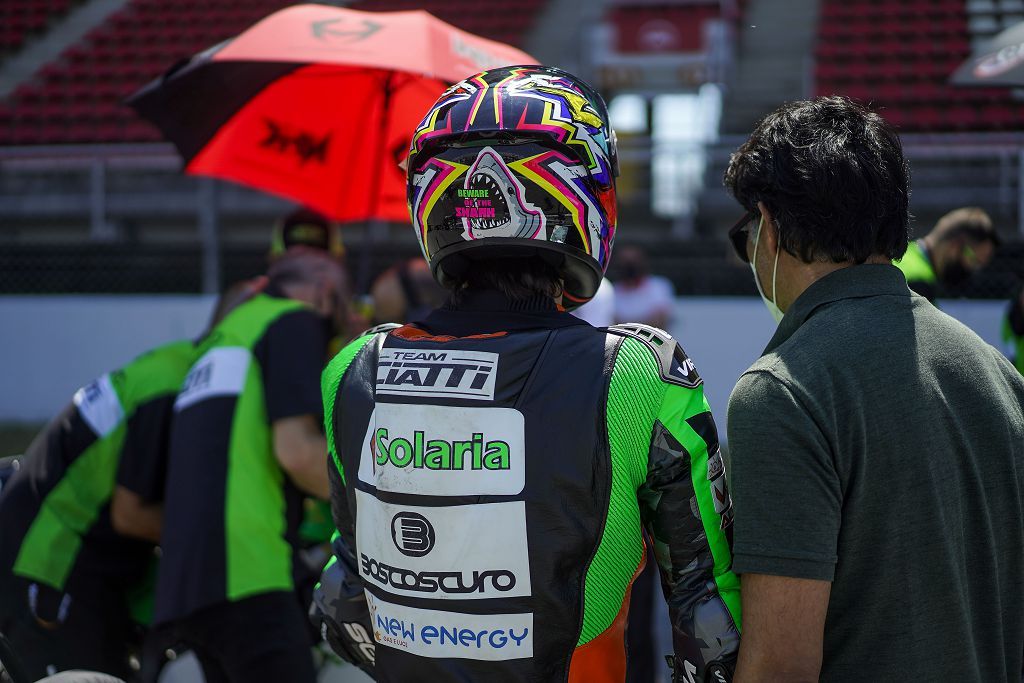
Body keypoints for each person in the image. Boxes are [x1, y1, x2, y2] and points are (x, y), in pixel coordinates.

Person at [311, 65, 740, 683]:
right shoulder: (638, 371)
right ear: (581, 197)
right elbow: (714, 615)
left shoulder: (352, 368)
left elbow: (342, 604)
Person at [722, 96, 1024, 681]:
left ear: (771, 227)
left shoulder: (782, 393)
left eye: (747, 236)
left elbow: (780, 665)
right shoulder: (1000, 376)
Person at [0, 279, 260, 680]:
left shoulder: (183, 368)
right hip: (51, 566)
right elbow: (130, 514)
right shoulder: (173, 387)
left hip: (91, 567)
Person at [153, 247, 348, 683]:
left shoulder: (228, 333)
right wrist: (375, 502)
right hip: (249, 574)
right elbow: (297, 452)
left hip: (189, 583)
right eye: (344, 301)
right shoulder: (292, 319)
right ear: (323, 291)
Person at [894, 206, 999, 302]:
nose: (974, 271)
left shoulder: (904, 255)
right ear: (955, 246)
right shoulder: (919, 285)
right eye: (975, 261)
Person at [612, 245, 675, 329]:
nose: (630, 264)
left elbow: (660, 321)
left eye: (634, 259)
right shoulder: (611, 291)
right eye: (625, 260)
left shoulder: (659, 286)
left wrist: (623, 324)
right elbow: (610, 323)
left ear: (643, 261)